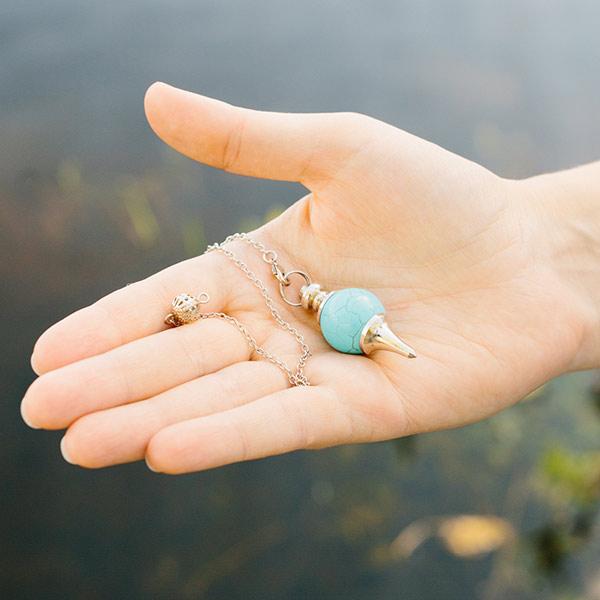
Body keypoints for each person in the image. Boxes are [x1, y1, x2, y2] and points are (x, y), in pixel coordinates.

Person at [20, 82, 600, 474]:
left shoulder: (346, 309)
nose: (384, 341)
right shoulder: (341, 310)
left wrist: (539, 247)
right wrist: (545, 245)